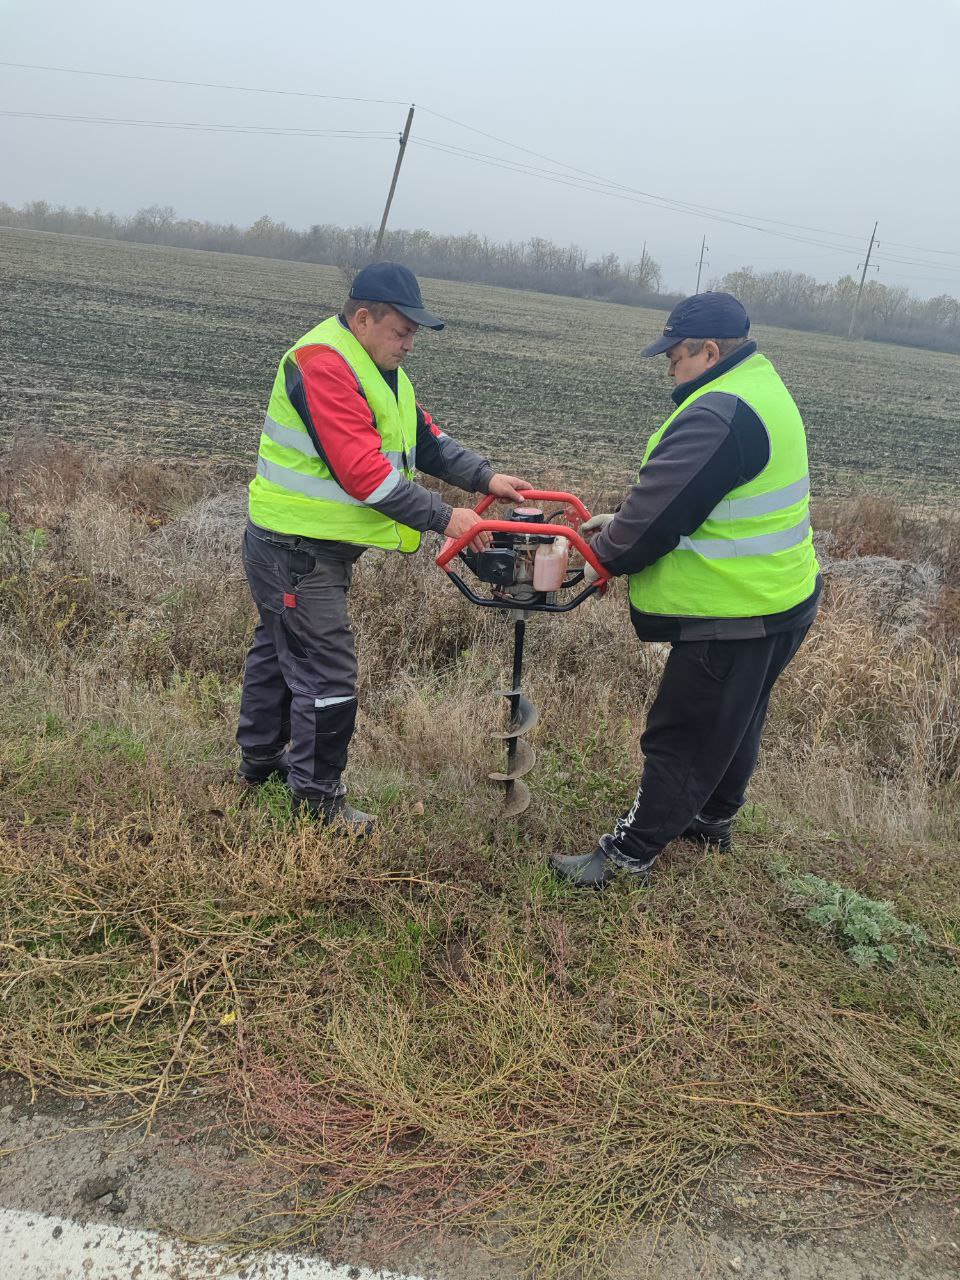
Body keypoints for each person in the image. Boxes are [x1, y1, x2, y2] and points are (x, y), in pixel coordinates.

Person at [237, 262, 531, 833]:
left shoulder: (380, 369)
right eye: (403, 331)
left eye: (415, 333)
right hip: (296, 547)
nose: (410, 343)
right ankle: (316, 803)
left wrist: (486, 478)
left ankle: (259, 765)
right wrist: (449, 519)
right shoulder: (322, 364)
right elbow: (365, 476)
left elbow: (425, 439)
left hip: (307, 546)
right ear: (364, 317)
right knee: (327, 674)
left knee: (279, 654)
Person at [551, 292, 820, 888]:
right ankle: (712, 818)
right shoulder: (759, 385)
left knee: (685, 731)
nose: (669, 366)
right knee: (739, 716)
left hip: (734, 609)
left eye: (675, 355)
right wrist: (617, 523)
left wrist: (604, 556)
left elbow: (661, 516)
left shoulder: (718, 412)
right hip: (782, 598)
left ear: (710, 350)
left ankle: (628, 856)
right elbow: (698, 497)